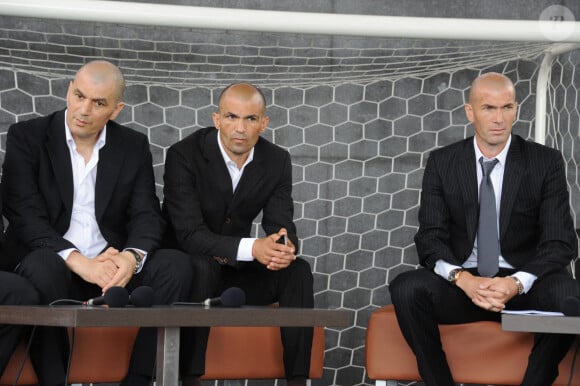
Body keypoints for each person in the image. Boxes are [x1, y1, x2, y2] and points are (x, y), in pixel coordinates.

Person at [1, 60, 192, 386]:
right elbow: (24, 216)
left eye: (98, 103)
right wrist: (79, 262)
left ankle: (138, 378)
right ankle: (56, 380)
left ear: (116, 109)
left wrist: (129, 258)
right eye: (79, 95)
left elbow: (147, 213)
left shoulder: (132, 145)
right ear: (69, 90)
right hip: (53, 262)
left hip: (110, 268)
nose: (83, 109)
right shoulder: (27, 137)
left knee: (176, 265)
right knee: (44, 266)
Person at [390, 72, 580, 386]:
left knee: (570, 295)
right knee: (407, 287)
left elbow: (560, 241)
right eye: (488, 108)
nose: (499, 118)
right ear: (470, 112)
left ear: (516, 109)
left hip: (523, 285)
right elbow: (430, 238)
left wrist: (516, 283)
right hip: (464, 285)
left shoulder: (545, 162)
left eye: (506, 107)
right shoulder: (443, 162)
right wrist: (463, 279)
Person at [162, 82, 314, 386]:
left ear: (264, 123)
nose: (240, 128)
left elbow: (280, 221)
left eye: (250, 119)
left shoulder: (276, 159)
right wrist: (254, 248)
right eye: (231, 117)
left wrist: (281, 247)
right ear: (216, 119)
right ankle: (188, 379)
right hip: (189, 270)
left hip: (234, 275)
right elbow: (190, 234)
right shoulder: (184, 155)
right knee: (201, 265)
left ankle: (298, 380)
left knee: (297, 271)